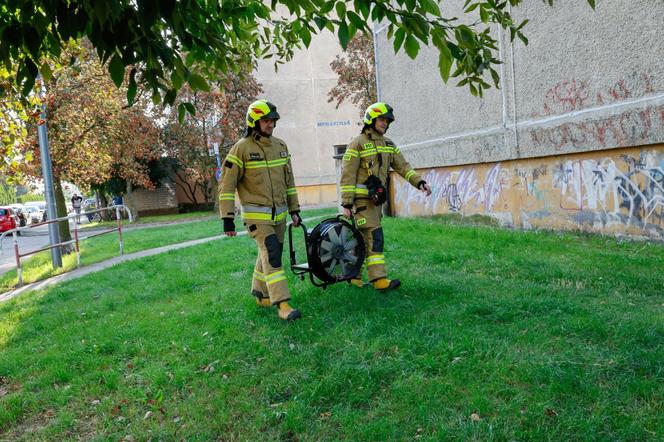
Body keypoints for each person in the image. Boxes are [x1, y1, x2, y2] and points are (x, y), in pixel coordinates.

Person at [218, 99, 302, 321]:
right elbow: (226, 187)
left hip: (281, 216)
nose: (270, 125)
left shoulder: (281, 146)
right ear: (254, 121)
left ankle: (260, 292)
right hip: (257, 218)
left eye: (272, 121)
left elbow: (289, 182)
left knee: (268, 253)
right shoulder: (240, 149)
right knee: (273, 254)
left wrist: (294, 209)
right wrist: (227, 218)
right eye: (265, 121)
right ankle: (282, 304)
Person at [339, 102, 432, 290]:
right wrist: (347, 203)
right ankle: (379, 280)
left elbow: (403, 166)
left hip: (376, 202)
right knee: (375, 236)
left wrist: (419, 182)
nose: (385, 123)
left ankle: (353, 277)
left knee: (362, 239)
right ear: (371, 120)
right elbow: (347, 175)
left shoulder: (389, 144)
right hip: (361, 202)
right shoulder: (357, 143)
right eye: (381, 119)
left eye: (387, 121)